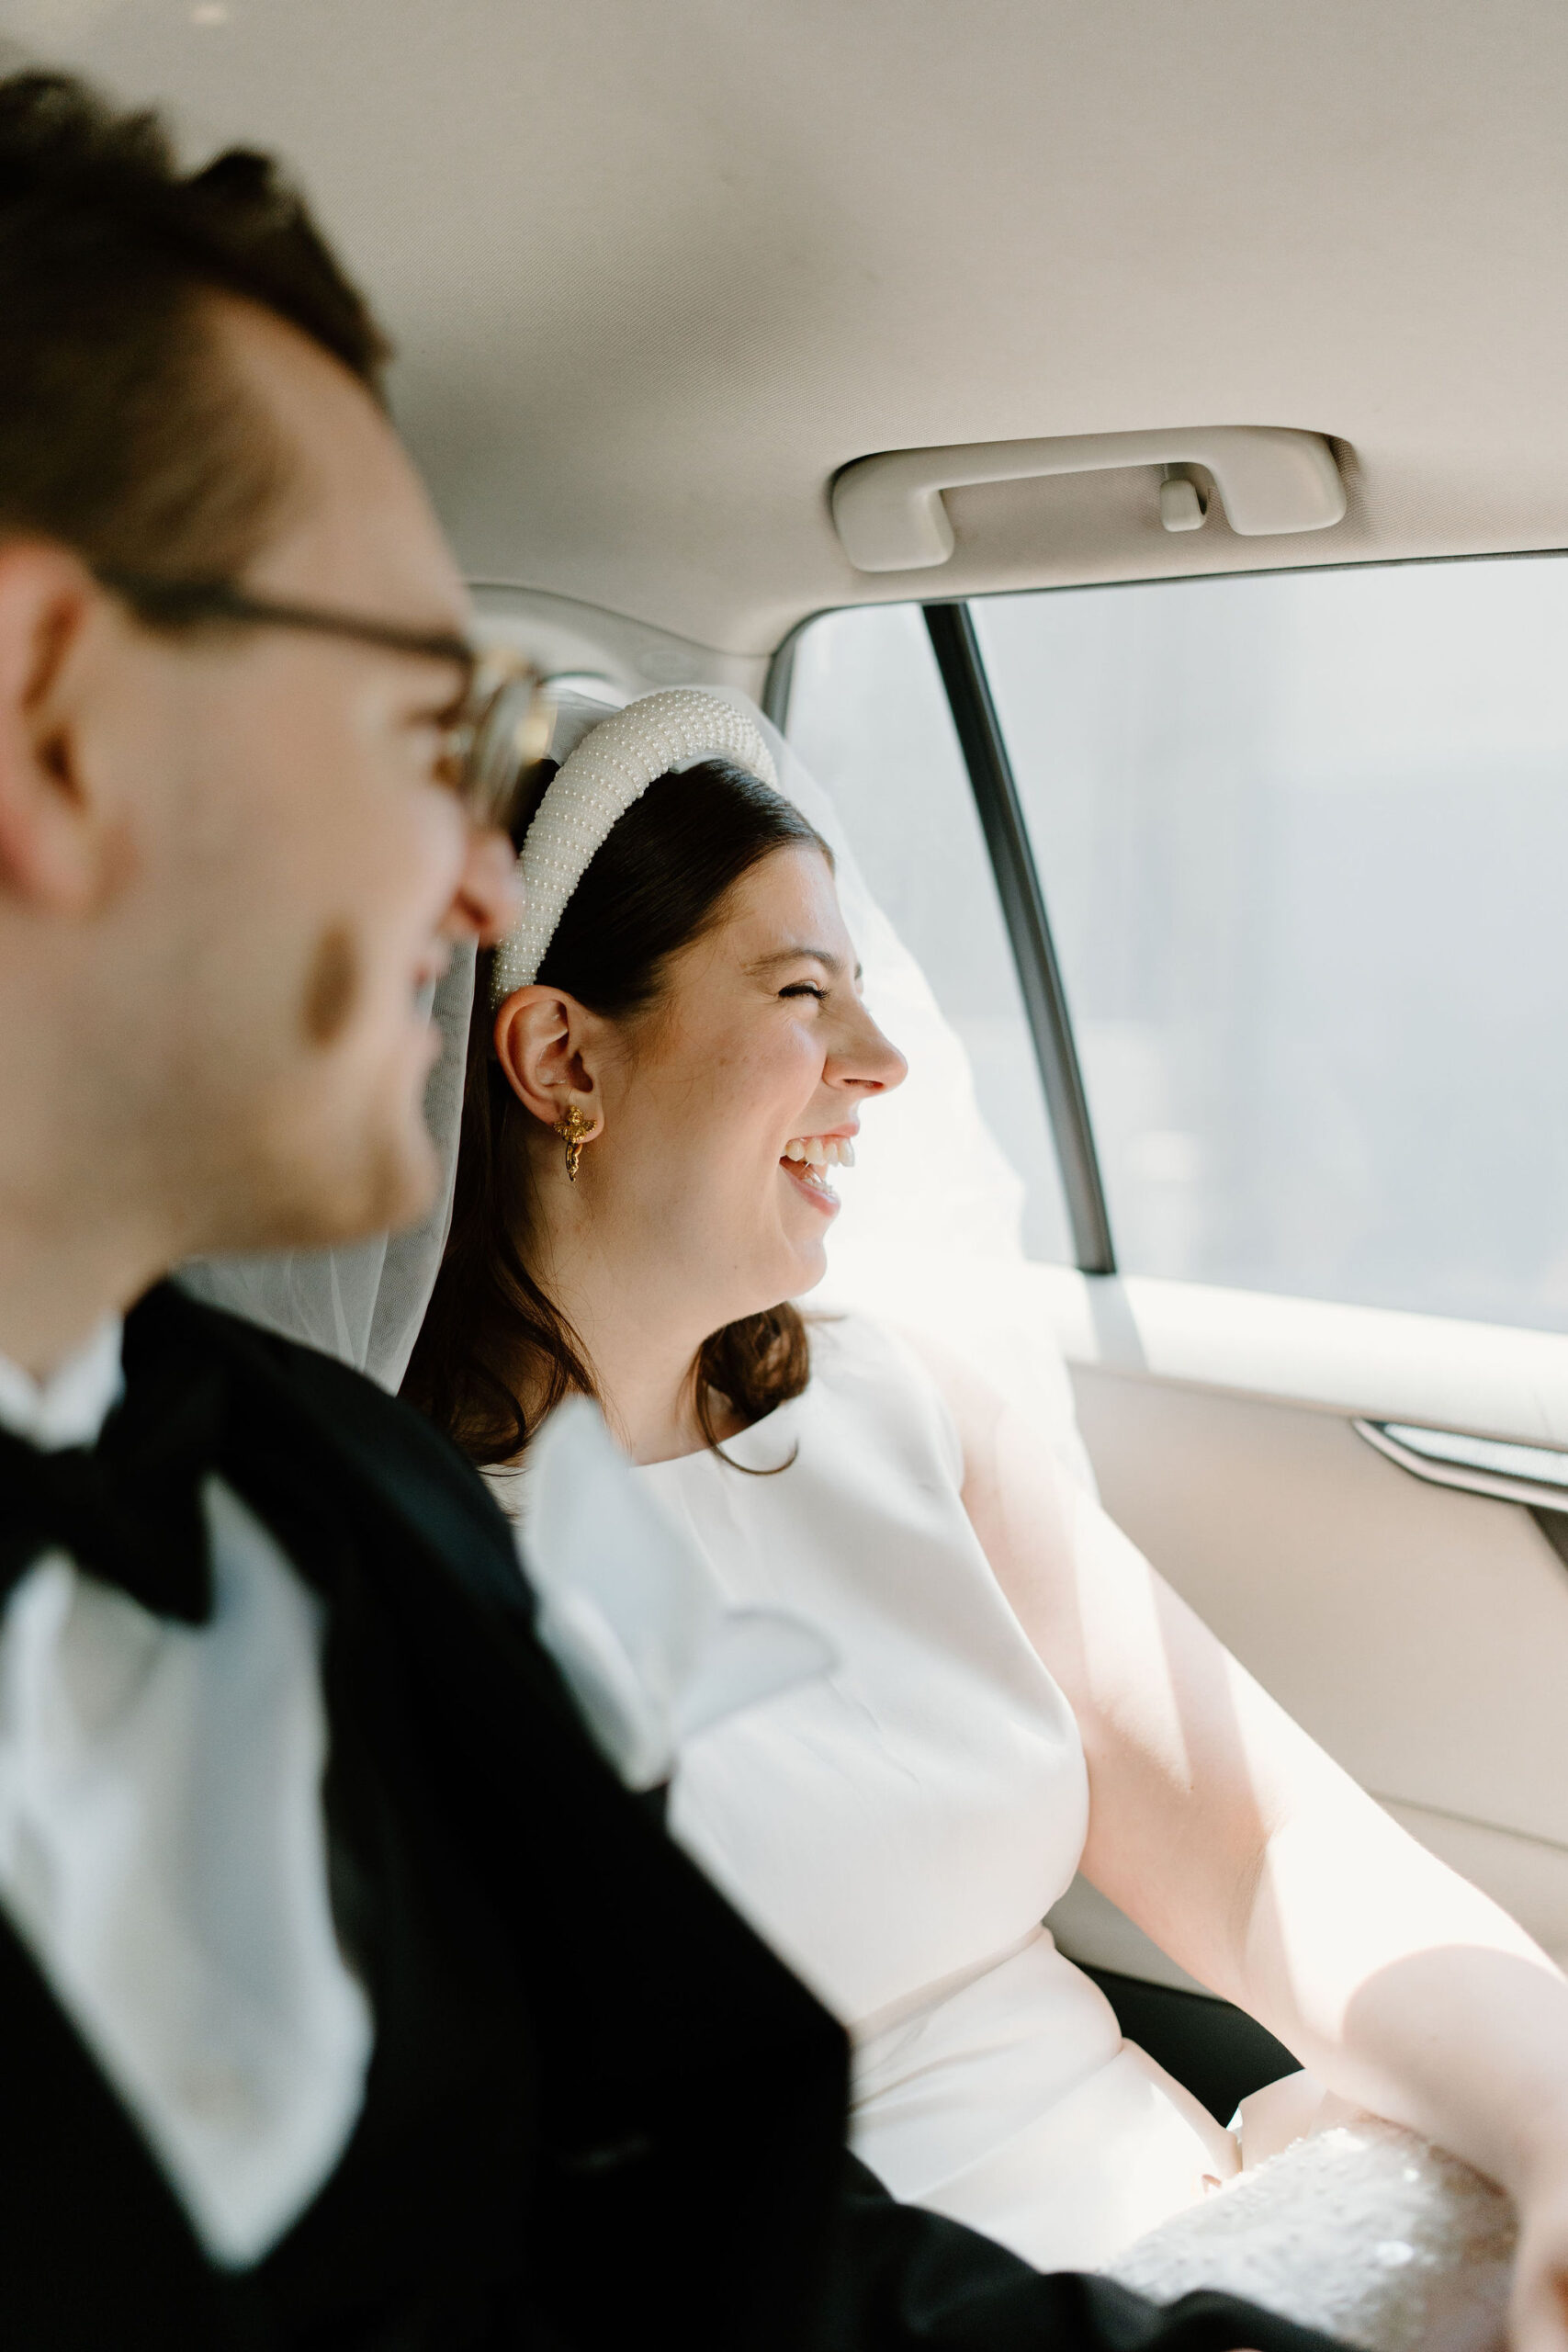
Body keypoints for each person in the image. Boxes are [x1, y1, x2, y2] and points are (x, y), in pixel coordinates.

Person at [0, 62, 1348, 2352]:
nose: (460, 889)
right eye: (427, 727)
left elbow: (702, 2250)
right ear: (49, 721)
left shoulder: (314, 1507)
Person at [407, 681, 1568, 2352]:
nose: (878, 1068)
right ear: (561, 1055)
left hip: (1223, 2233)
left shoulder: (904, 1415)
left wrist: (1551, 2117)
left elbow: (1267, 1854)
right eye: (805, 995)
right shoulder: (420, 1571)